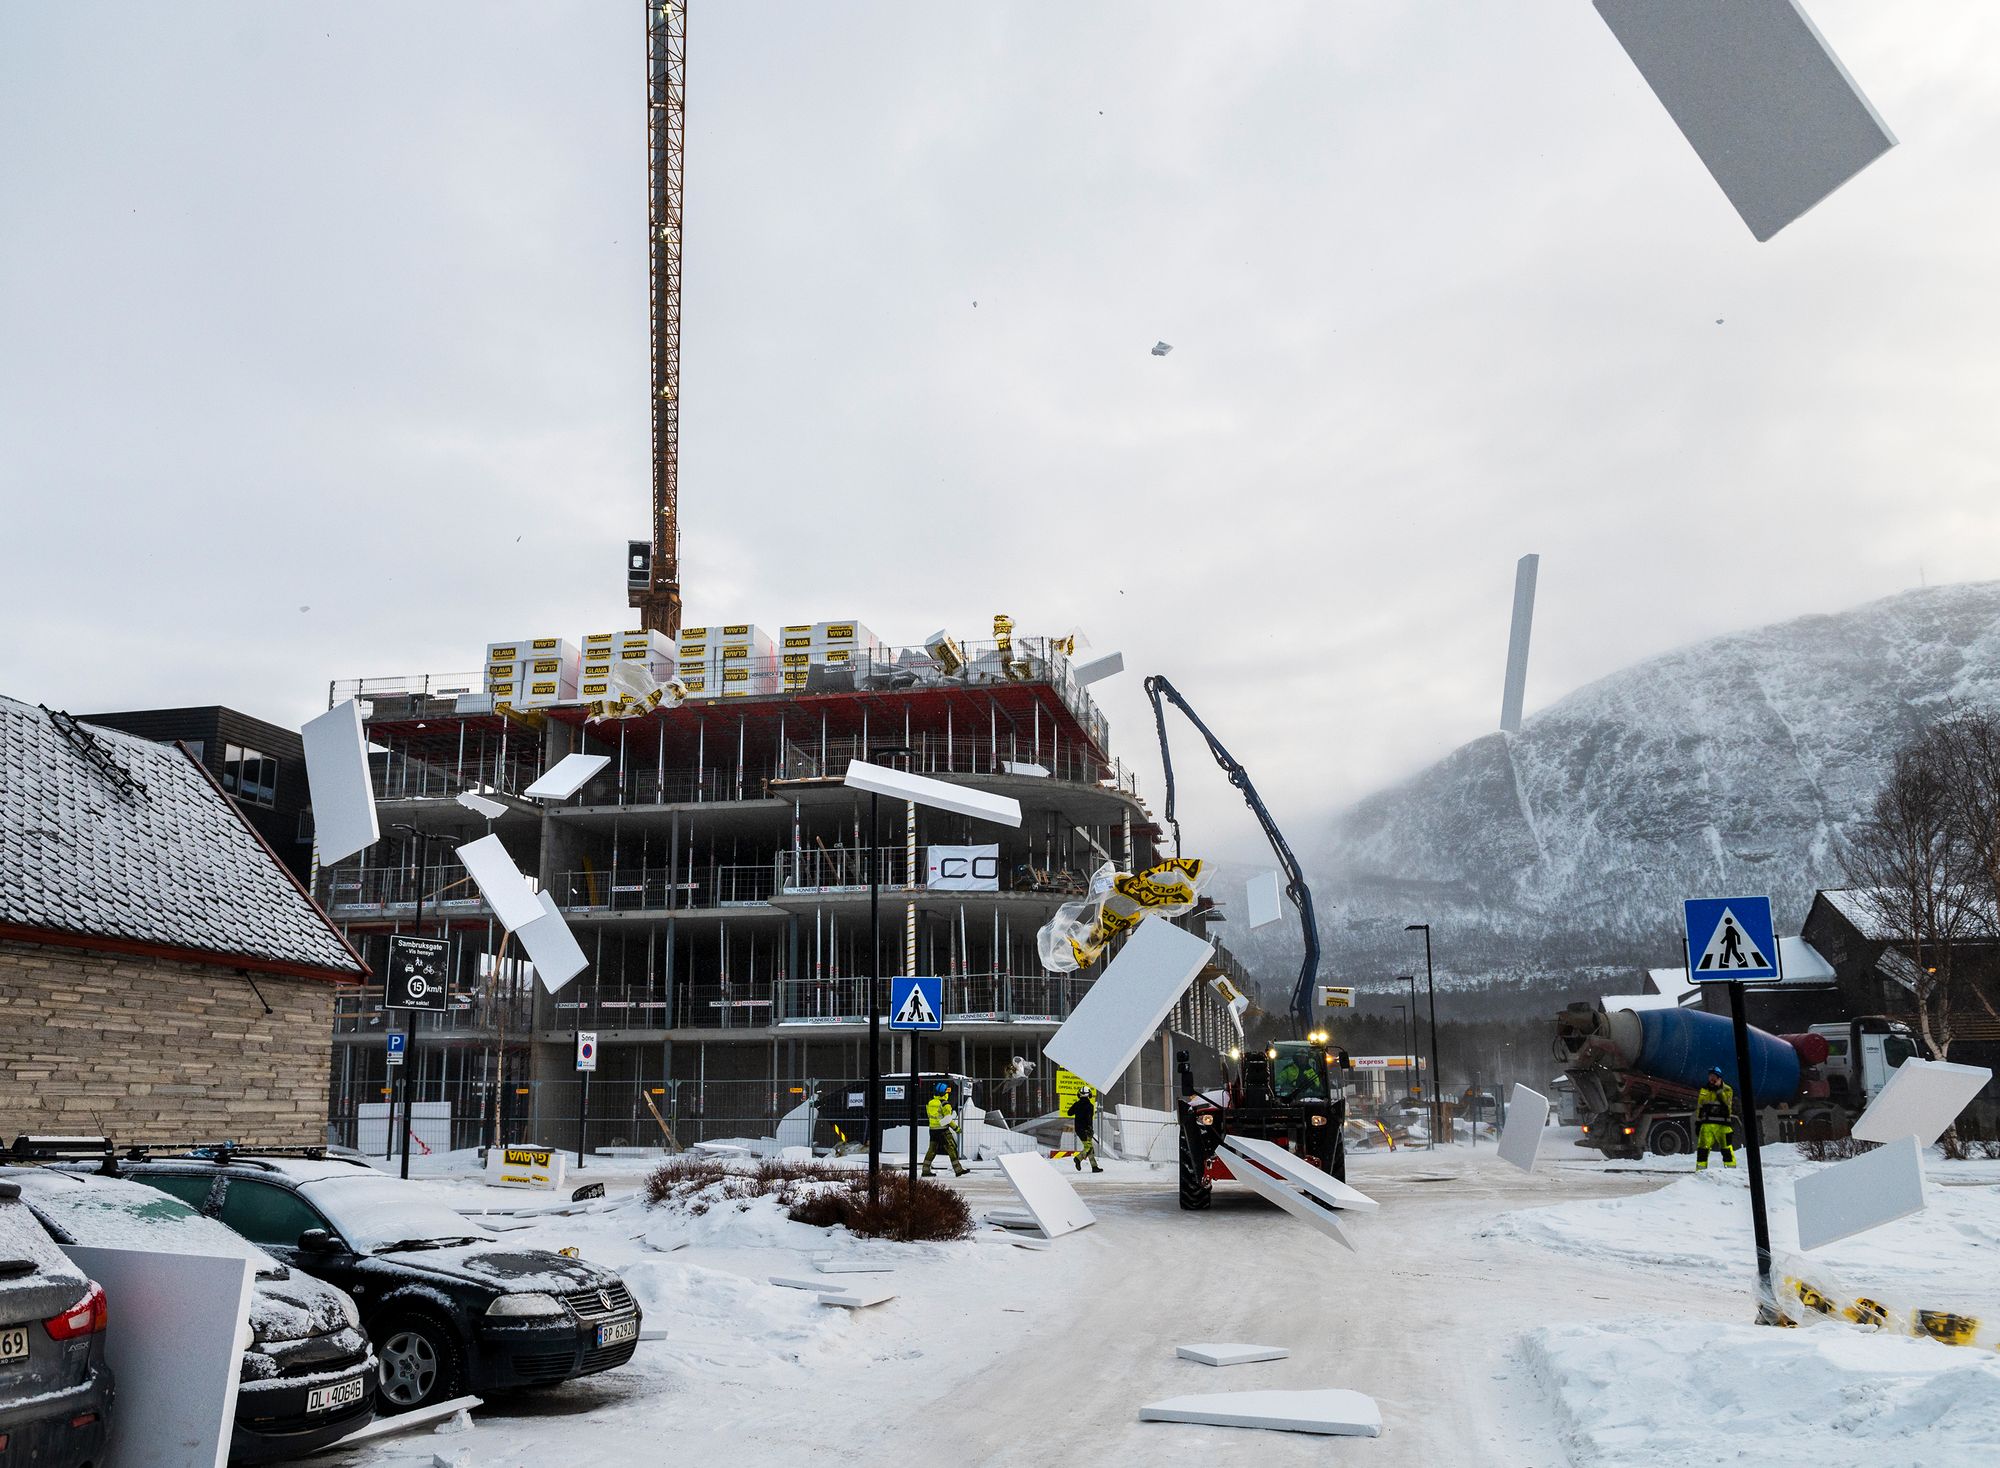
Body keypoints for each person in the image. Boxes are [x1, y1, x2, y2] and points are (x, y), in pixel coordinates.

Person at [922, 1081, 968, 1178]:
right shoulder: (945, 1104)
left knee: (932, 1150)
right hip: (943, 1130)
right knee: (951, 1148)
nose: (948, 1094)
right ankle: (958, 1170)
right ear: (943, 1093)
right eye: (946, 1092)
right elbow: (947, 1120)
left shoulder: (930, 1103)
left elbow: (931, 1116)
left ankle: (925, 1170)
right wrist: (956, 1128)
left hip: (933, 1130)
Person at [1696, 1066, 1737, 1171]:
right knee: (1702, 1150)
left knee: (1726, 1149)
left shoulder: (1727, 1089)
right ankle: (1700, 1171)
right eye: (1710, 1076)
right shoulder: (1704, 1089)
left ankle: (1731, 1171)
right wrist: (1698, 1122)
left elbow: (1727, 1105)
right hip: (1707, 1124)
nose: (1711, 1079)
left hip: (1723, 1125)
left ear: (1719, 1078)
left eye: (1714, 1076)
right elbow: (1700, 1106)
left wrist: (1718, 1091)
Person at [1069, 1085, 1104, 1173]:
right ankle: (1078, 1158)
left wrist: (1076, 1107)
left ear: (1079, 1094)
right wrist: (1090, 1128)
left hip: (1078, 1129)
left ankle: (1094, 1167)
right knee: (1088, 1147)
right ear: (1089, 1095)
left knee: (1090, 1148)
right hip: (1086, 1130)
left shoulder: (1077, 1104)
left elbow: (1069, 1113)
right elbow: (1089, 1118)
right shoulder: (1090, 1106)